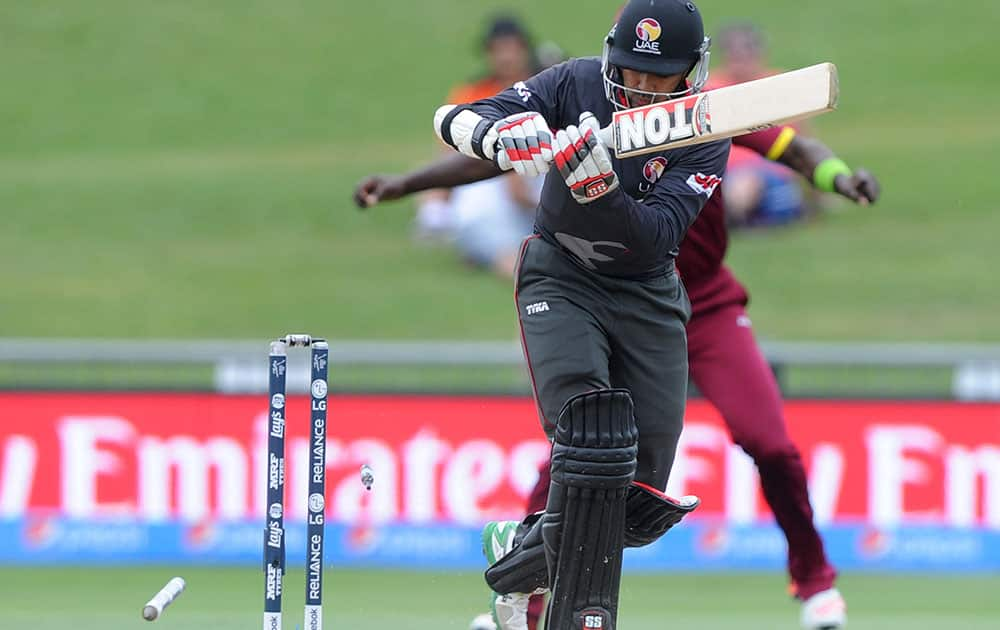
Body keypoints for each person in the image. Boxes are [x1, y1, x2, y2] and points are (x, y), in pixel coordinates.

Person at [433, 1, 728, 628]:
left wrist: (601, 192)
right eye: (631, 70)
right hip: (562, 276)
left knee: (638, 500)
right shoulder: (575, 83)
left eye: (660, 76)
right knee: (591, 440)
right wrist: (494, 136)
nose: (643, 87)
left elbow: (653, 236)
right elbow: (459, 117)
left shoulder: (706, 132)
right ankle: (563, 604)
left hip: (647, 291)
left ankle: (517, 555)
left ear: (691, 73)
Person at [711, 22, 812, 228]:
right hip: (723, 173)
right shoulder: (711, 88)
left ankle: (733, 220)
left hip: (771, 172)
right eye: (735, 56)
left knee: (745, 182)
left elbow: (804, 142)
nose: (740, 63)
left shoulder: (779, 85)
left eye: (745, 55)